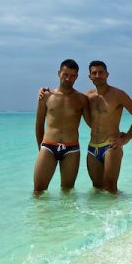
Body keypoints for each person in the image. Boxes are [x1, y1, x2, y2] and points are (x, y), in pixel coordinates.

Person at [39, 60, 132, 194]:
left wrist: (127, 138)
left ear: (107, 74)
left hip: (111, 146)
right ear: (89, 77)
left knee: (110, 188)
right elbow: (70, 99)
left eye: (101, 72)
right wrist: (44, 91)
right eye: (94, 73)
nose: (97, 75)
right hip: (92, 149)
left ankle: (119, 213)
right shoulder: (87, 97)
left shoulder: (118, 95)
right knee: (97, 189)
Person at [33, 59, 89, 194]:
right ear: (59, 73)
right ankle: (40, 216)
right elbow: (39, 123)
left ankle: (65, 216)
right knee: (38, 190)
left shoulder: (82, 99)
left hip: (72, 149)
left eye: (72, 76)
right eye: (65, 74)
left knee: (67, 192)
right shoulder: (46, 96)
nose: (68, 78)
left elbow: (93, 123)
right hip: (48, 146)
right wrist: (40, 148)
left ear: (76, 77)